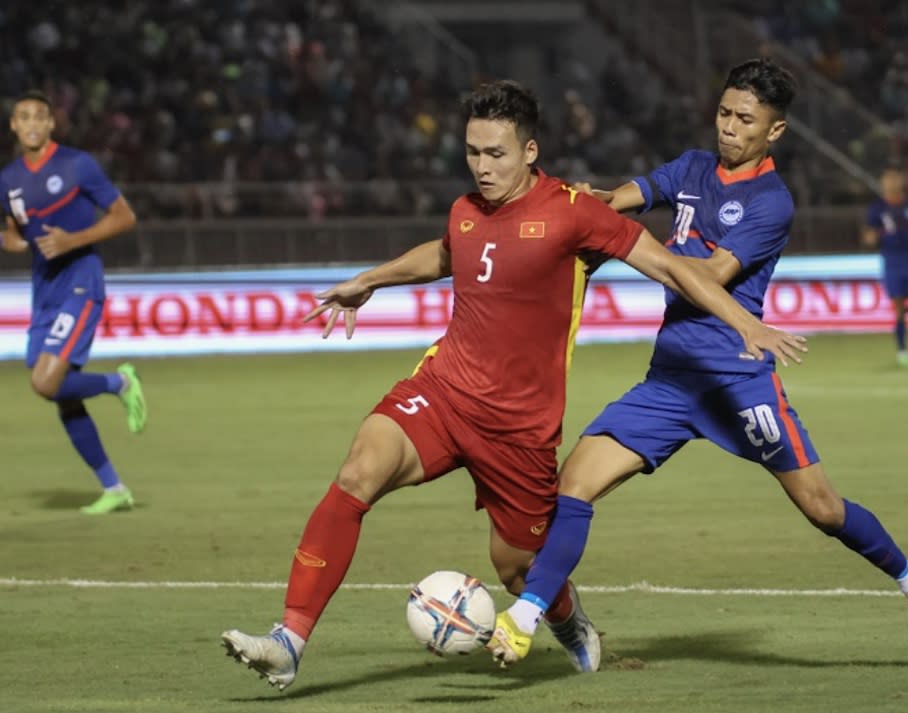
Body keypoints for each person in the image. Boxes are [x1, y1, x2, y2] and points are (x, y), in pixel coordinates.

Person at [219, 79, 805, 692]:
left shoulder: (577, 212)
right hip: (444, 392)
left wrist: (745, 322)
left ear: (529, 152)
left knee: (517, 566)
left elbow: (669, 268)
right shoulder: (466, 208)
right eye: (472, 152)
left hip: (519, 430)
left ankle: (569, 619)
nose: (481, 167)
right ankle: (289, 640)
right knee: (357, 474)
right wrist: (372, 279)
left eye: (495, 154)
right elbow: (448, 254)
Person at [486, 59, 908, 671]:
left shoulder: (771, 202)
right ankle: (530, 618)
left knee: (822, 508)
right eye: (724, 113)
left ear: (775, 131)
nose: (729, 128)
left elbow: (703, 278)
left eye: (746, 119)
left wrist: (621, 242)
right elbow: (618, 200)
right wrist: (581, 207)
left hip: (738, 382)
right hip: (672, 379)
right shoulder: (690, 167)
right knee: (574, 483)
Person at [0, 90, 147, 514]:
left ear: (50, 125)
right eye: (22, 116)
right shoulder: (8, 179)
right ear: (13, 124)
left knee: (45, 382)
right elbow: (16, 232)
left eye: (39, 117)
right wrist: (8, 241)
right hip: (44, 288)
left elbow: (124, 216)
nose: (31, 123)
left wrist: (72, 241)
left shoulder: (76, 164)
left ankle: (120, 383)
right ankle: (115, 488)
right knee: (61, 393)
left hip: (81, 280)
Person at [862, 168, 908, 367]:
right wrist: (871, 238)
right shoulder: (877, 209)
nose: (891, 183)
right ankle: (902, 350)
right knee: (899, 311)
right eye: (887, 180)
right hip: (891, 263)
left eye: (894, 179)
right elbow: (868, 234)